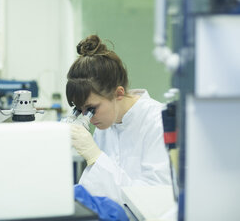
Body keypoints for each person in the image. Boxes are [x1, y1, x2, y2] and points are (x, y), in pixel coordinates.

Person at [67, 34, 171, 203]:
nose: (89, 118)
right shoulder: (105, 124)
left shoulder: (158, 121)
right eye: (81, 110)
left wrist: (96, 157)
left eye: (92, 109)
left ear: (118, 93)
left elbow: (156, 198)